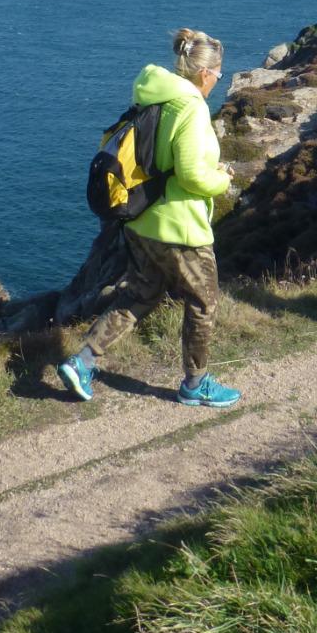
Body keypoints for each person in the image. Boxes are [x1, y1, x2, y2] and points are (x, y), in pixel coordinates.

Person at [58, 28, 241, 408]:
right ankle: (196, 384)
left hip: (142, 220)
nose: (217, 83)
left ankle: (83, 362)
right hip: (181, 228)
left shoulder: (152, 96)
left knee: (141, 294)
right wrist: (221, 179)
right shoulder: (191, 108)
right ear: (206, 73)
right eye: (219, 75)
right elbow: (191, 175)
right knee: (204, 303)